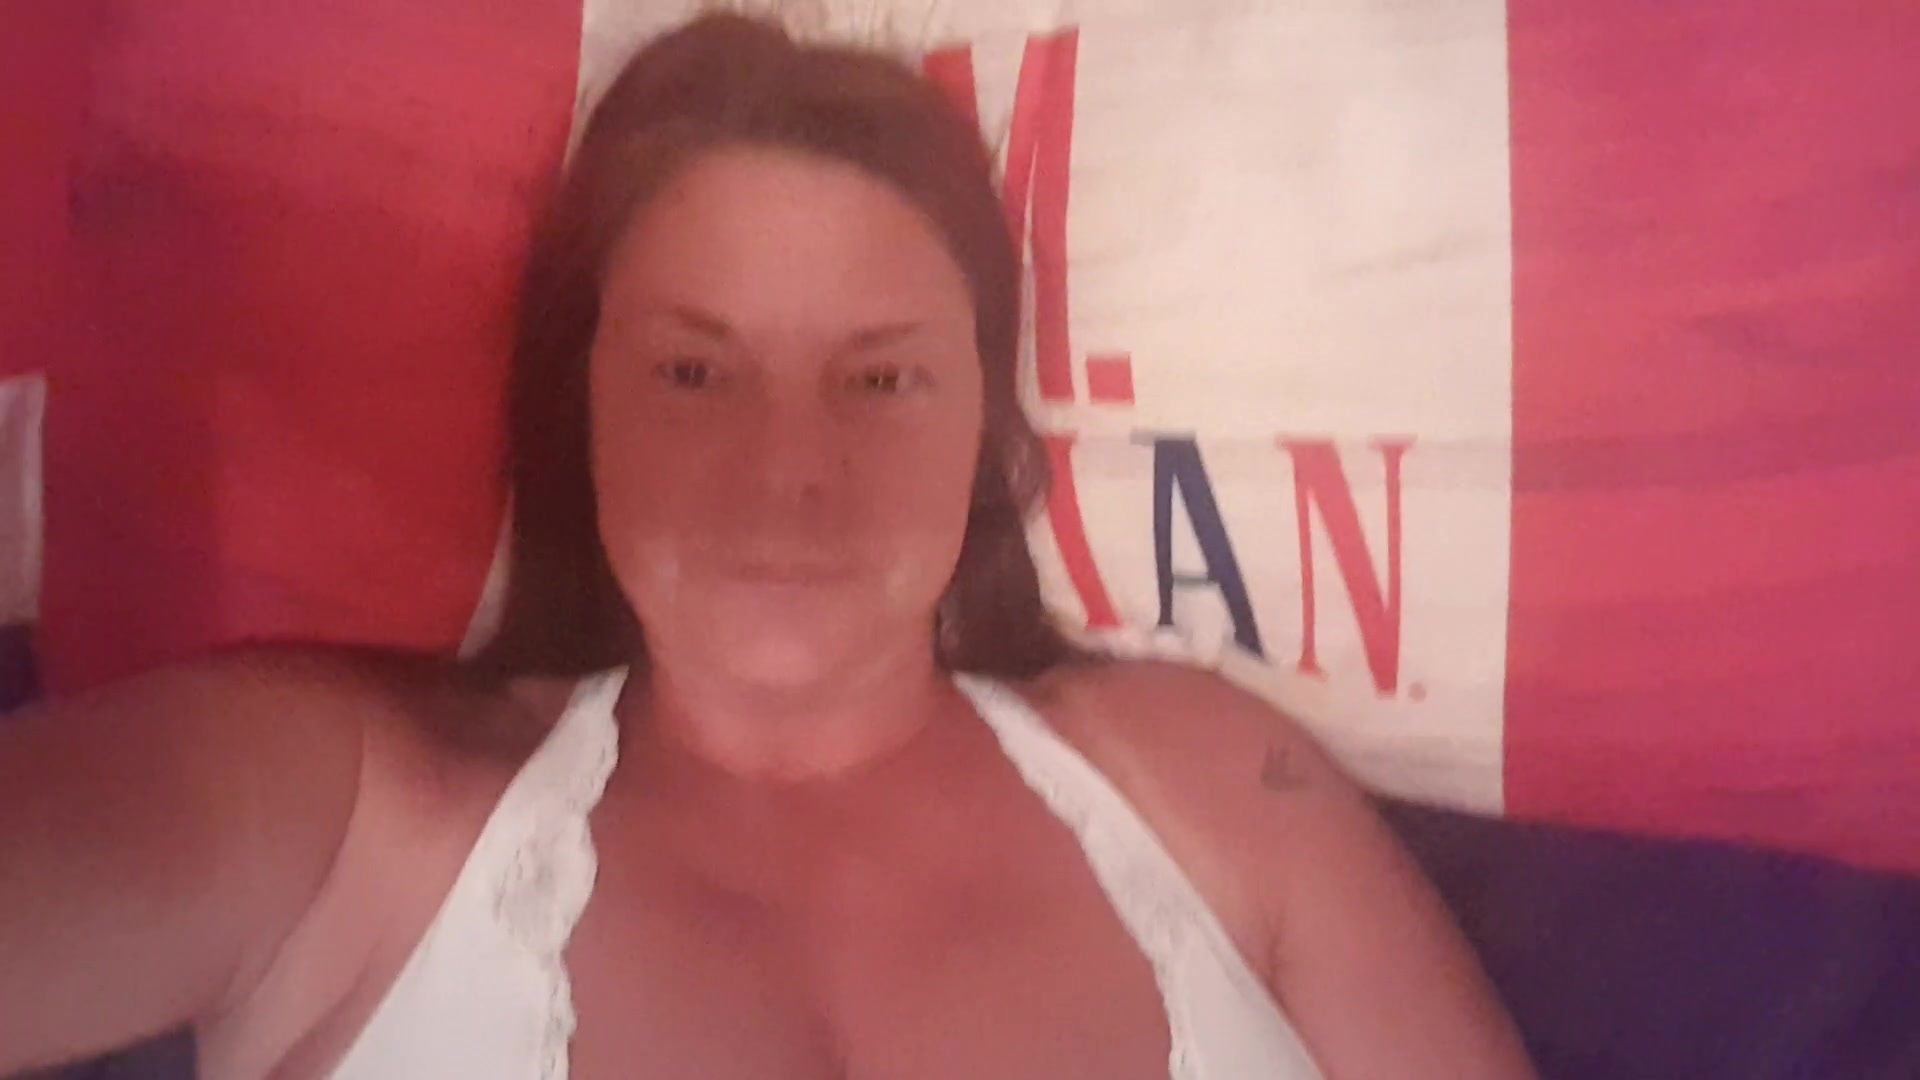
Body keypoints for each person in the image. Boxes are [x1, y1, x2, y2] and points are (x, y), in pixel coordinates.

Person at [0, 14, 1535, 1079]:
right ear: (577, 407)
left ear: (987, 429)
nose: (791, 474)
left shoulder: (1221, 790)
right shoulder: (338, 813)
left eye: (881, 378)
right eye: (694, 370)